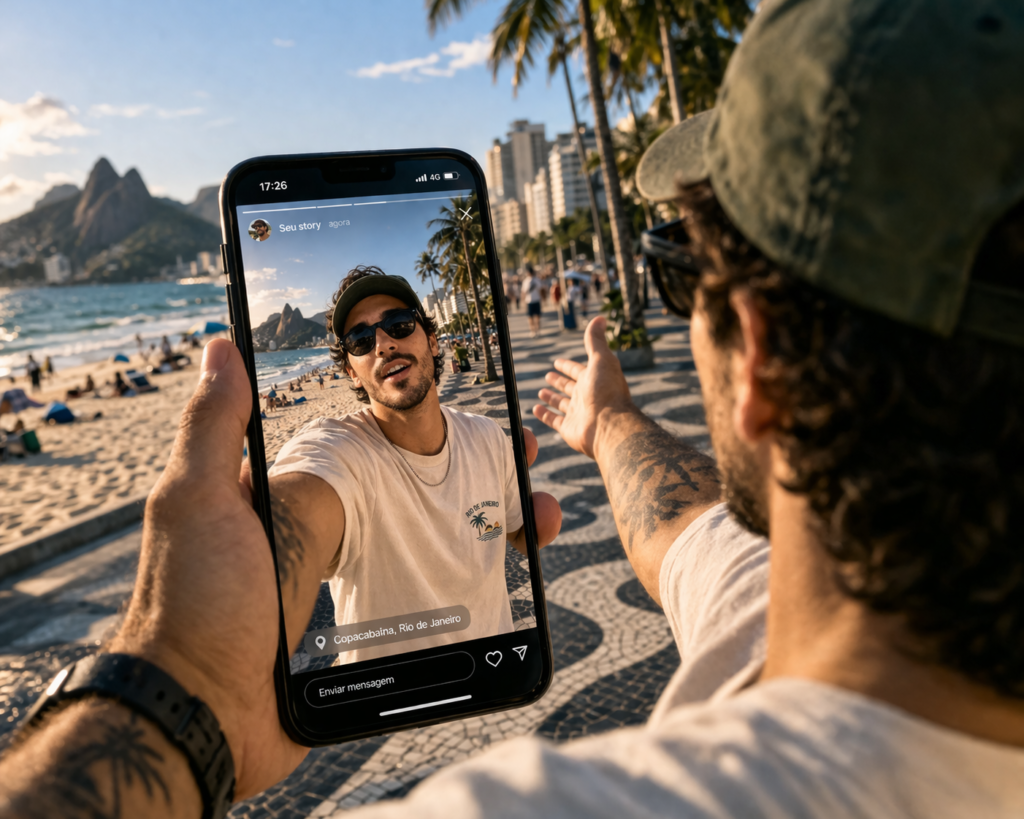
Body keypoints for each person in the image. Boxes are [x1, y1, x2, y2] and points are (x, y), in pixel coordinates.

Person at [5, 3, 1024, 816]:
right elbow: (686, 530)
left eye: (683, 274)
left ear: (761, 366)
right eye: (358, 338)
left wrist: (183, 680)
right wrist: (607, 421)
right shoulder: (782, 593)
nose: (382, 345)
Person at [264, 265, 556, 665]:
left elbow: (516, 529)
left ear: (432, 341)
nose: (383, 344)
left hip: (492, 674)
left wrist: (527, 530)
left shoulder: (488, 438)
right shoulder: (341, 452)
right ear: (351, 372)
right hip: (385, 693)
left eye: (399, 325)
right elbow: (298, 513)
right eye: (361, 340)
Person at [523, 265, 542, 337]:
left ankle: (537, 330)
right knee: (530, 317)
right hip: (529, 301)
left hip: (535, 300)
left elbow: (540, 289)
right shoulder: (526, 281)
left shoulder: (536, 280)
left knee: (537, 317)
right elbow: (524, 292)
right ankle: (533, 331)